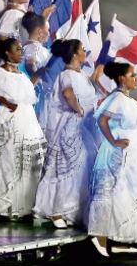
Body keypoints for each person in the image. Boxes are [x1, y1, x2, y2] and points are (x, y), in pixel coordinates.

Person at [88, 61, 137, 257]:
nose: (135, 79)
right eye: (132, 75)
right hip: (121, 154)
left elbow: (127, 117)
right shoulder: (116, 97)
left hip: (134, 153)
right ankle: (102, 239)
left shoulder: (126, 99)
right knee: (115, 192)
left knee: (130, 193)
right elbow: (101, 119)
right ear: (122, 78)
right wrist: (113, 141)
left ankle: (119, 239)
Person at [35, 39, 102, 229]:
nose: (85, 52)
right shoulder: (66, 75)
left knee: (84, 166)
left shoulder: (83, 74)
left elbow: (90, 95)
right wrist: (79, 110)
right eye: (82, 50)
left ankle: (74, 210)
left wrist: (95, 81)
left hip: (85, 126)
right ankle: (57, 210)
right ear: (74, 55)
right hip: (72, 126)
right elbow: (68, 94)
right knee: (69, 166)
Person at [0, 37, 47, 219]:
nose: (21, 52)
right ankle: (9, 206)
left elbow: (25, 91)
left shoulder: (20, 73)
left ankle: (25, 205)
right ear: (8, 53)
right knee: (10, 158)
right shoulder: (2, 72)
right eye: (17, 49)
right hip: (11, 117)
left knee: (29, 159)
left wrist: (38, 75)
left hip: (27, 117)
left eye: (21, 48)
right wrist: (6, 101)